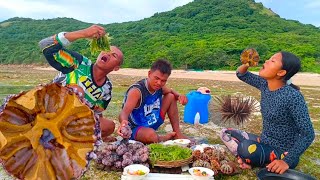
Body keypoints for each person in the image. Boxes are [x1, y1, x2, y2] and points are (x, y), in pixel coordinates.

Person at [220, 51, 315, 174]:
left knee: (245, 148)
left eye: (272, 61)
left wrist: (286, 161)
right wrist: (247, 63)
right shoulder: (265, 84)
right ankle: (254, 160)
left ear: (281, 72)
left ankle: (256, 160)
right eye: (268, 59)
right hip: (264, 141)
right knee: (226, 133)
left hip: (282, 152)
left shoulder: (293, 97)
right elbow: (241, 74)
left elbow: (308, 134)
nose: (266, 61)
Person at [39, 25, 124, 142]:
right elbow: (45, 45)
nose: (108, 53)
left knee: (109, 126)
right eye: (107, 50)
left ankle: (70, 137)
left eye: (114, 55)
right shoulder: (79, 63)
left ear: (116, 68)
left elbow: (98, 112)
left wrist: (100, 133)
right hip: (50, 110)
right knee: (77, 90)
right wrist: (84, 33)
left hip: (76, 122)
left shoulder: (106, 88)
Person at [117, 59, 188, 144]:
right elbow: (123, 113)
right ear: (149, 74)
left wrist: (180, 96)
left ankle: (177, 133)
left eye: (163, 80)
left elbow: (171, 91)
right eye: (156, 78)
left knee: (171, 97)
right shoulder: (137, 91)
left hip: (152, 120)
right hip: (136, 128)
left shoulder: (160, 87)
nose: (159, 83)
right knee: (151, 135)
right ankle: (162, 138)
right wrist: (123, 124)